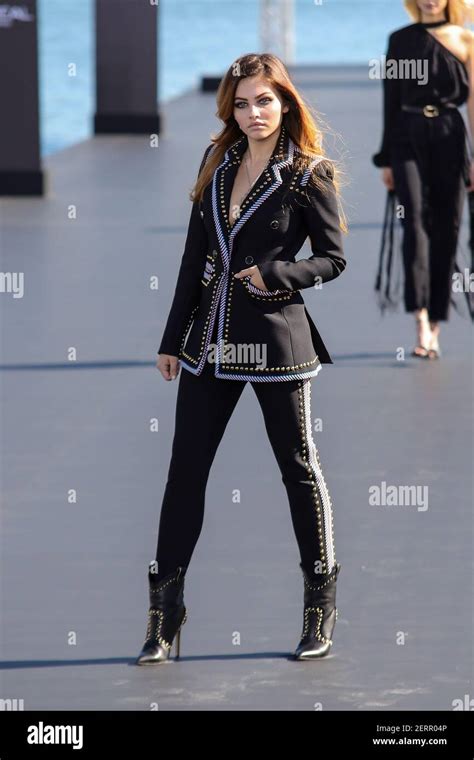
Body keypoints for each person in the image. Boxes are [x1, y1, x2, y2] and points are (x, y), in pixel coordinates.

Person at [136, 53, 347, 665]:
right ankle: (164, 616)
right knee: (184, 475)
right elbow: (193, 255)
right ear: (230, 106)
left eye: (265, 100)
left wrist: (279, 272)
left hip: (278, 343)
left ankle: (317, 608)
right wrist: (173, 338)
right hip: (209, 345)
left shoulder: (309, 174)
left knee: (299, 471)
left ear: (285, 103)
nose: (253, 113)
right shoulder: (216, 163)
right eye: (242, 101)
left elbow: (333, 259)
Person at [372, 0, 474, 358]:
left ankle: (435, 322)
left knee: (447, 226)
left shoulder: (466, 40)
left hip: (450, 134)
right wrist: (386, 159)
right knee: (413, 222)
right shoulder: (399, 40)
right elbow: (390, 98)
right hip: (407, 135)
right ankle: (419, 317)